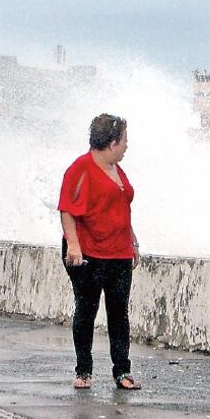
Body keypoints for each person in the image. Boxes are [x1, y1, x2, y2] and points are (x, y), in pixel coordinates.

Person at [58, 113, 141, 390]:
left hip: (119, 253)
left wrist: (133, 241)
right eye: (125, 140)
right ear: (112, 141)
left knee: (119, 313)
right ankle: (83, 370)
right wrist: (73, 245)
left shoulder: (117, 169)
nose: (128, 146)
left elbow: (121, 208)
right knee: (87, 310)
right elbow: (67, 209)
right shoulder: (80, 168)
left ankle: (122, 371)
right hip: (87, 253)